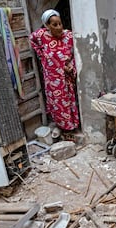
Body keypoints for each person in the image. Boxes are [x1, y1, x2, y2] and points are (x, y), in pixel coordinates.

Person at [29, 9, 79, 138]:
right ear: (47, 26)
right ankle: (62, 127)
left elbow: (77, 54)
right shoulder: (42, 36)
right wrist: (42, 56)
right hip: (52, 78)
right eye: (54, 25)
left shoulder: (68, 36)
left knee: (69, 100)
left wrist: (70, 66)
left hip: (66, 77)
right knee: (57, 103)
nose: (59, 27)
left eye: (60, 24)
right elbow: (31, 39)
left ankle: (72, 126)